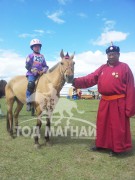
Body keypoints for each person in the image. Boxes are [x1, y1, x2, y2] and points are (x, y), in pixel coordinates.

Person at [72, 43, 135, 156]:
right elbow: (90, 78)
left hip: (119, 102)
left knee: (117, 126)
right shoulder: (102, 68)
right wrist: (75, 81)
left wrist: (129, 108)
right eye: (109, 54)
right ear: (107, 55)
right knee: (102, 124)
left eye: (114, 54)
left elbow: (130, 88)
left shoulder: (124, 67)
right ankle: (101, 145)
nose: (111, 56)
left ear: (118, 54)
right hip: (104, 102)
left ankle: (117, 148)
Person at [25, 39, 49, 111]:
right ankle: (29, 102)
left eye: (38, 46)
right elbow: (27, 66)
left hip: (41, 74)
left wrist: (43, 70)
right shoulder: (30, 56)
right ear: (32, 48)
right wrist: (35, 71)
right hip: (31, 74)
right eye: (35, 46)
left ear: (40, 47)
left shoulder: (42, 56)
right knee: (31, 84)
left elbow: (45, 66)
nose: (37, 48)